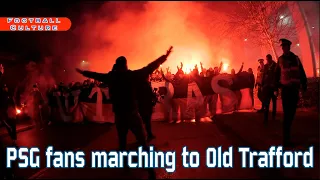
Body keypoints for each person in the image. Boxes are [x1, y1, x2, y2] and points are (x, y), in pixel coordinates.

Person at [76, 46, 173, 179]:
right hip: (132, 114)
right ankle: (150, 170)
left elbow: (97, 75)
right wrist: (165, 56)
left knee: (122, 141)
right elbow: (150, 67)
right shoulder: (131, 75)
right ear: (126, 65)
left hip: (120, 115)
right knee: (142, 141)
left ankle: (125, 165)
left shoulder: (112, 77)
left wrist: (83, 73)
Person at [274, 39, 307, 147]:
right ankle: (286, 139)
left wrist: (304, 86)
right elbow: (276, 75)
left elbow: (301, 73)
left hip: (294, 90)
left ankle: (287, 137)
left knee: (291, 114)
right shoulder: (280, 60)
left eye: (285, 46)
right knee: (287, 114)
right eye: (282, 47)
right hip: (286, 90)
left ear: (289, 47)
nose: (283, 48)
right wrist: (276, 87)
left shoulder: (296, 59)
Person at [261, 54, 277, 125]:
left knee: (274, 102)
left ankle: (273, 116)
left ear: (270, 59)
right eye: (266, 59)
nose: (267, 61)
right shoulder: (266, 66)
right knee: (266, 103)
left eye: (267, 59)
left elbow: (277, 76)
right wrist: (262, 85)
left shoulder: (275, 65)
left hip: (273, 87)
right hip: (267, 87)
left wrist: (276, 87)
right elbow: (263, 76)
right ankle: (265, 119)